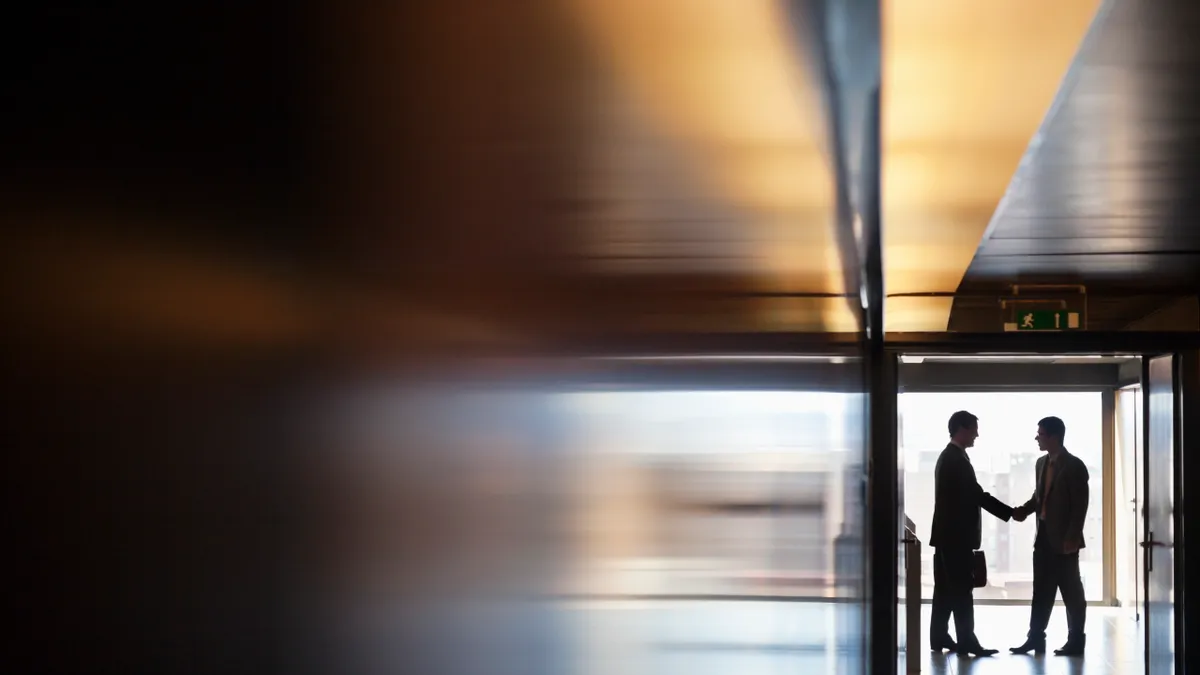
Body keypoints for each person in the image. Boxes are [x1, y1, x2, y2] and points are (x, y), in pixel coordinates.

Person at [929, 411, 1014, 656]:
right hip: (956, 539)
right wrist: (1009, 513)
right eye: (974, 428)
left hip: (947, 536)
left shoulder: (950, 457)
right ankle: (967, 641)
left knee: (945, 589)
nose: (977, 433)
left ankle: (939, 636)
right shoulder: (955, 459)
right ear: (962, 429)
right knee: (962, 590)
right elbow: (976, 495)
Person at [1010, 416, 1089, 657]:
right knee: (1041, 591)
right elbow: (1039, 497)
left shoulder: (1074, 466)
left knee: (1071, 593)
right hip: (1043, 537)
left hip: (1065, 541)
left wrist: (1072, 537)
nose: (1036, 438)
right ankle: (1035, 638)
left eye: (1040, 434)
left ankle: (1076, 640)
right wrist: (1021, 511)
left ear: (1054, 436)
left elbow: (1080, 506)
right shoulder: (1040, 463)